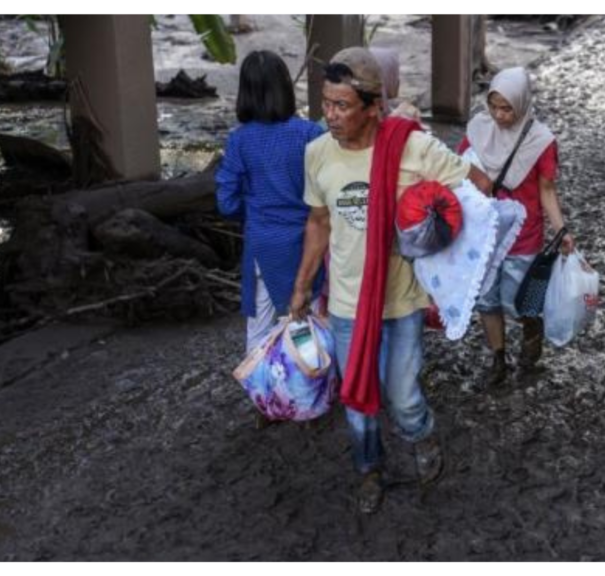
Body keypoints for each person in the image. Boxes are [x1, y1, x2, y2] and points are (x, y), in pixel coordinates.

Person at [289, 47, 492, 514]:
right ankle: (369, 470)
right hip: (345, 303)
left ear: (373, 107)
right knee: (357, 399)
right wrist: (302, 286)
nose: (331, 115)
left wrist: (435, 236)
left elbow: (478, 186)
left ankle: (421, 435)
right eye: (325, 103)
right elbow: (318, 223)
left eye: (342, 106)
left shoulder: (412, 147)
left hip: (400, 302)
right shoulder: (317, 153)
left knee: (402, 397)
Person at [457, 67, 576, 388]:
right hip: (484, 232)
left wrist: (561, 230)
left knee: (517, 300)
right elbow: (459, 170)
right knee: (485, 299)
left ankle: (531, 327)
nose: (499, 115)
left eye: (507, 108)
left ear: (522, 103)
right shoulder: (479, 129)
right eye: (494, 106)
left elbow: (547, 190)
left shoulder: (541, 141)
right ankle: (498, 360)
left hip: (524, 236)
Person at [215, 50, 326, 354]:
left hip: (262, 244)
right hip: (308, 242)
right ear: (286, 88)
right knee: (310, 322)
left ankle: (266, 397)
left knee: (260, 329)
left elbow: (226, 202)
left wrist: (251, 214)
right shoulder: (311, 134)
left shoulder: (240, 140)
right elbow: (328, 196)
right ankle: (314, 391)